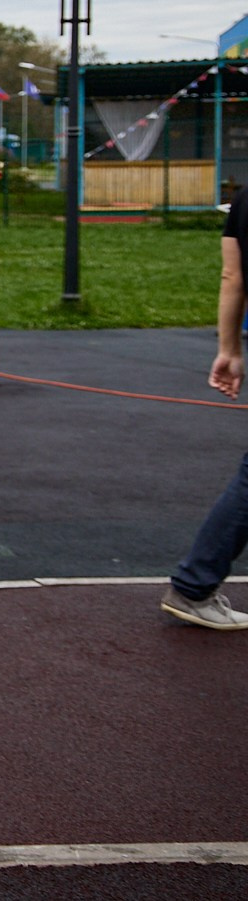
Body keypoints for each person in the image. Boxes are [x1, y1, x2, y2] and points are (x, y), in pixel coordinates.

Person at [159, 198, 248, 629]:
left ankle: (195, 583)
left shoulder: (244, 199)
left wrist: (229, 348)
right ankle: (195, 583)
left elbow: (233, 276)